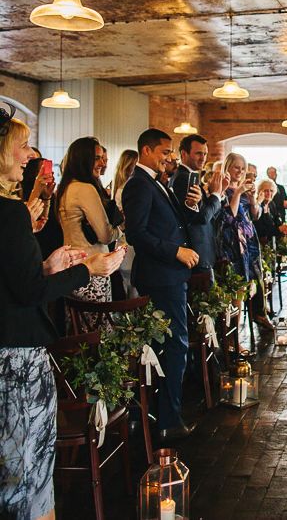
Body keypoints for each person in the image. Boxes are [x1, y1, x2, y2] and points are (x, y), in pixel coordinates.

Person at [0, 110, 124, 520]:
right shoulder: (10, 213)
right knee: (28, 471)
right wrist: (85, 269)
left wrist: (47, 267)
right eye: (21, 146)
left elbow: (15, 281)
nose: (29, 155)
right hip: (15, 356)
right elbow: (31, 293)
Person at [122, 128, 199, 441]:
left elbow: (172, 223)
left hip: (170, 275)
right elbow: (136, 234)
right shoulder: (139, 185)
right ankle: (168, 419)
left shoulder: (157, 183)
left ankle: (156, 413)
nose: (170, 158)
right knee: (175, 345)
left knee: (162, 347)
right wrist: (176, 251)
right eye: (165, 152)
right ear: (147, 150)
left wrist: (191, 206)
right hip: (161, 276)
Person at [57, 137, 124, 309]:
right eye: (97, 158)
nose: (102, 163)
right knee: (97, 331)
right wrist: (122, 228)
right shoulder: (85, 189)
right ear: (82, 159)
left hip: (71, 267)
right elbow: (105, 235)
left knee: (77, 329)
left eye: (102, 157)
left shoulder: (66, 187)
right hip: (92, 268)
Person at [219, 152, 272, 331]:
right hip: (232, 245)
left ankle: (259, 314)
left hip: (249, 242)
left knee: (253, 281)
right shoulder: (223, 189)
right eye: (237, 168)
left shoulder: (244, 189)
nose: (240, 172)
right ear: (228, 167)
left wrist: (252, 200)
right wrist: (239, 192)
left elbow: (255, 215)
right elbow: (229, 217)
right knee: (236, 289)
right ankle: (233, 335)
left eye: (243, 169)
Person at [170, 134, 225, 281]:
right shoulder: (184, 178)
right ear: (183, 154)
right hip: (196, 252)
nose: (203, 158)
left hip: (201, 253)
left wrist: (217, 194)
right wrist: (215, 195)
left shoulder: (190, 176)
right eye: (198, 153)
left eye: (205, 154)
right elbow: (202, 217)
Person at [112, 149, 139, 298]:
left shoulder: (123, 188)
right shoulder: (125, 190)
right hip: (128, 245)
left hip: (125, 244)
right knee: (132, 289)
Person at [254, 178, 282, 246]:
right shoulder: (256, 205)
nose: (269, 193)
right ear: (259, 191)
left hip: (272, 242)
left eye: (271, 191)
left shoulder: (272, 204)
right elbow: (260, 230)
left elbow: (277, 222)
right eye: (266, 190)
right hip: (259, 243)